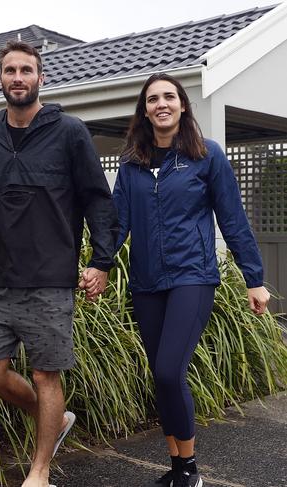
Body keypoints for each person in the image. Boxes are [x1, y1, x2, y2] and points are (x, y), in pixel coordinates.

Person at [82, 72, 270, 487]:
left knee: (169, 371)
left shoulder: (207, 156)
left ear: (183, 105)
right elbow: (119, 224)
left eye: (169, 96)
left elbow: (233, 220)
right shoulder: (131, 165)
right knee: (160, 375)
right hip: (147, 283)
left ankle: (190, 471)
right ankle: (178, 466)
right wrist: (101, 264)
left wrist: (253, 278)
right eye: (152, 99)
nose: (161, 104)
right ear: (144, 110)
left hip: (192, 278)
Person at [0, 40, 118, 487]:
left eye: (26, 70)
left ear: (41, 78)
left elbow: (96, 199)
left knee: (44, 374)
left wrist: (102, 262)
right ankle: (54, 419)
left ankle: (40, 470)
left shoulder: (69, 132)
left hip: (51, 279)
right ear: (0, 78)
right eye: (10, 70)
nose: (18, 77)